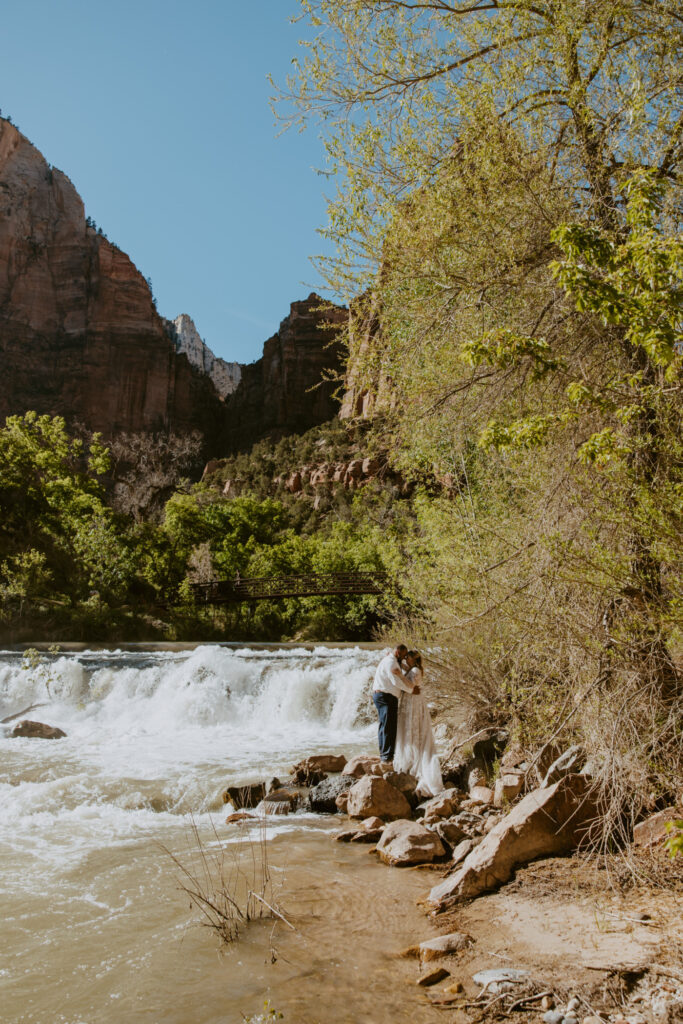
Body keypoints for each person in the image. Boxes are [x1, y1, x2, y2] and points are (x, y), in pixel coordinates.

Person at [394, 650, 443, 797]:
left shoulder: (415, 670)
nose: (405, 658)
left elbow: (412, 686)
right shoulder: (411, 668)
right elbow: (402, 666)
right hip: (409, 701)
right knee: (407, 729)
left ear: (413, 659)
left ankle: (413, 761)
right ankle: (408, 760)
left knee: (413, 729)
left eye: (407, 656)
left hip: (413, 703)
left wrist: (399, 675)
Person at [371, 644, 420, 769]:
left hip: (384, 695)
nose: (404, 658)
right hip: (385, 696)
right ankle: (387, 757)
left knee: (386, 725)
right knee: (388, 726)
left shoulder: (392, 660)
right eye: (403, 655)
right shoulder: (391, 662)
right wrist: (411, 690)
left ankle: (385, 755)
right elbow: (396, 681)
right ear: (398, 652)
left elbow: (403, 671)